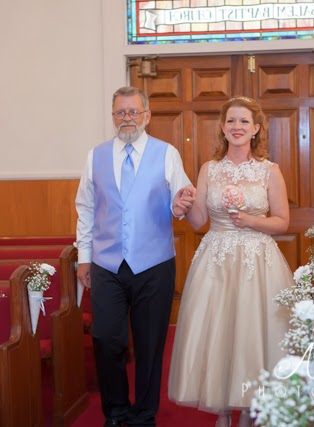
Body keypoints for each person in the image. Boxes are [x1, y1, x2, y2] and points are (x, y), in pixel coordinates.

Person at [75, 86, 195, 427]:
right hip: (106, 264)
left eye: (133, 111)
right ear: (113, 117)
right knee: (106, 338)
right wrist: (84, 258)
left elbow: (180, 200)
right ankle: (115, 412)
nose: (127, 118)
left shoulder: (167, 153)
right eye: (120, 112)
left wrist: (180, 205)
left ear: (147, 115)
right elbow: (86, 208)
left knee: (150, 343)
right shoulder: (95, 156)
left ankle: (144, 414)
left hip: (154, 264)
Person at [167, 96, 291, 427]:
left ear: (256, 129)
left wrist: (252, 221)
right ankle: (221, 413)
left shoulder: (269, 171)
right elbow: (199, 221)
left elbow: (282, 222)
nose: (237, 127)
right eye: (231, 121)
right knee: (217, 333)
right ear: (222, 128)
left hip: (257, 260)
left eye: (244, 121)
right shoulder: (209, 169)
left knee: (252, 332)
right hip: (216, 257)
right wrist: (184, 206)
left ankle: (249, 409)